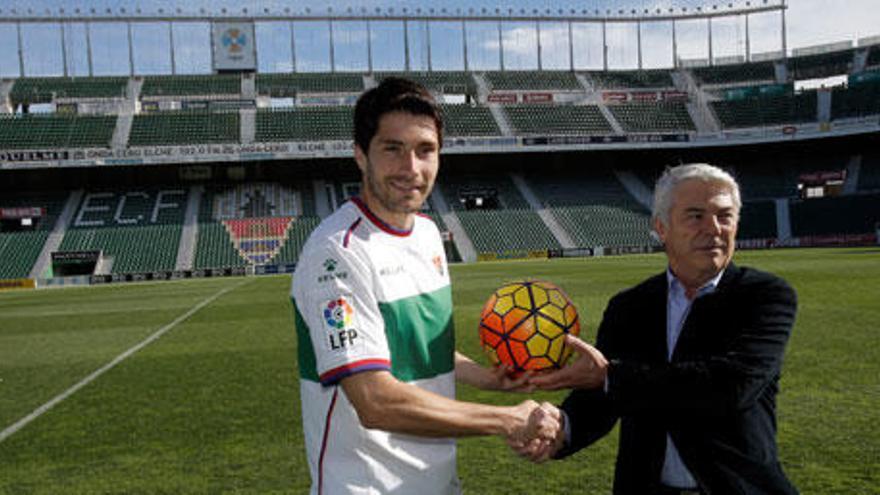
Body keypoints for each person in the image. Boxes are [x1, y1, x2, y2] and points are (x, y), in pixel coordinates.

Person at [290, 77, 557, 495]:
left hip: (438, 482)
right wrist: (505, 418)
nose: (411, 168)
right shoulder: (337, 253)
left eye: (425, 150)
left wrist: (486, 378)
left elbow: (408, 345)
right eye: (392, 149)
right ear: (361, 155)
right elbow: (374, 401)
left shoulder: (428, 234)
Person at [517, 163, 799, 494]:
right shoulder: (629, 306)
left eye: (725, 216)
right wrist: (562, 427)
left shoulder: (765, 296)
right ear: (661, 228)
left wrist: (612, 377)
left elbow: (731, 386)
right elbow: (601, 399)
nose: (713, 228)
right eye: (695, 216)